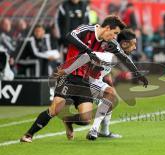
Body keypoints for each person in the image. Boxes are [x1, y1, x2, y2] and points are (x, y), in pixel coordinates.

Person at [20, 15, 126, 143]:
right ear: (107, 28)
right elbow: (69, 36)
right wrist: (88, 50)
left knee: (86, 119)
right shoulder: (87, 30)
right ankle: (28, 135)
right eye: (115, 33)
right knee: (55, 110)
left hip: (85, 81)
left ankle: (68, 120)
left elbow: (120, 55)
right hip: (68, 76)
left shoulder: (108, 43)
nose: (114, 37)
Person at [54, 29, 147, 140]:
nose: (135, 47)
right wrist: (67, 70)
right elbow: (86, 56)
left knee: (104, 105)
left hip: (95, 81)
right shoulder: (110, 56)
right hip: (85, 81)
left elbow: (106, 68)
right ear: (125, 43)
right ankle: (94, 130)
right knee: (110, 95)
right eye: (133, 44)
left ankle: (101, 131)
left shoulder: (116, 53)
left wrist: (109, 79)